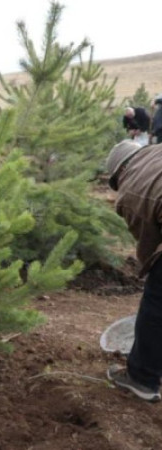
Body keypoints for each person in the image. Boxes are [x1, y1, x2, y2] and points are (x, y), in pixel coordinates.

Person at [105, 139, 162, 402]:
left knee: (156, 303)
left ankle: (141, 378)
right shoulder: (157, 150)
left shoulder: (129, 192)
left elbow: (148, 243)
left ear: (119, 174)